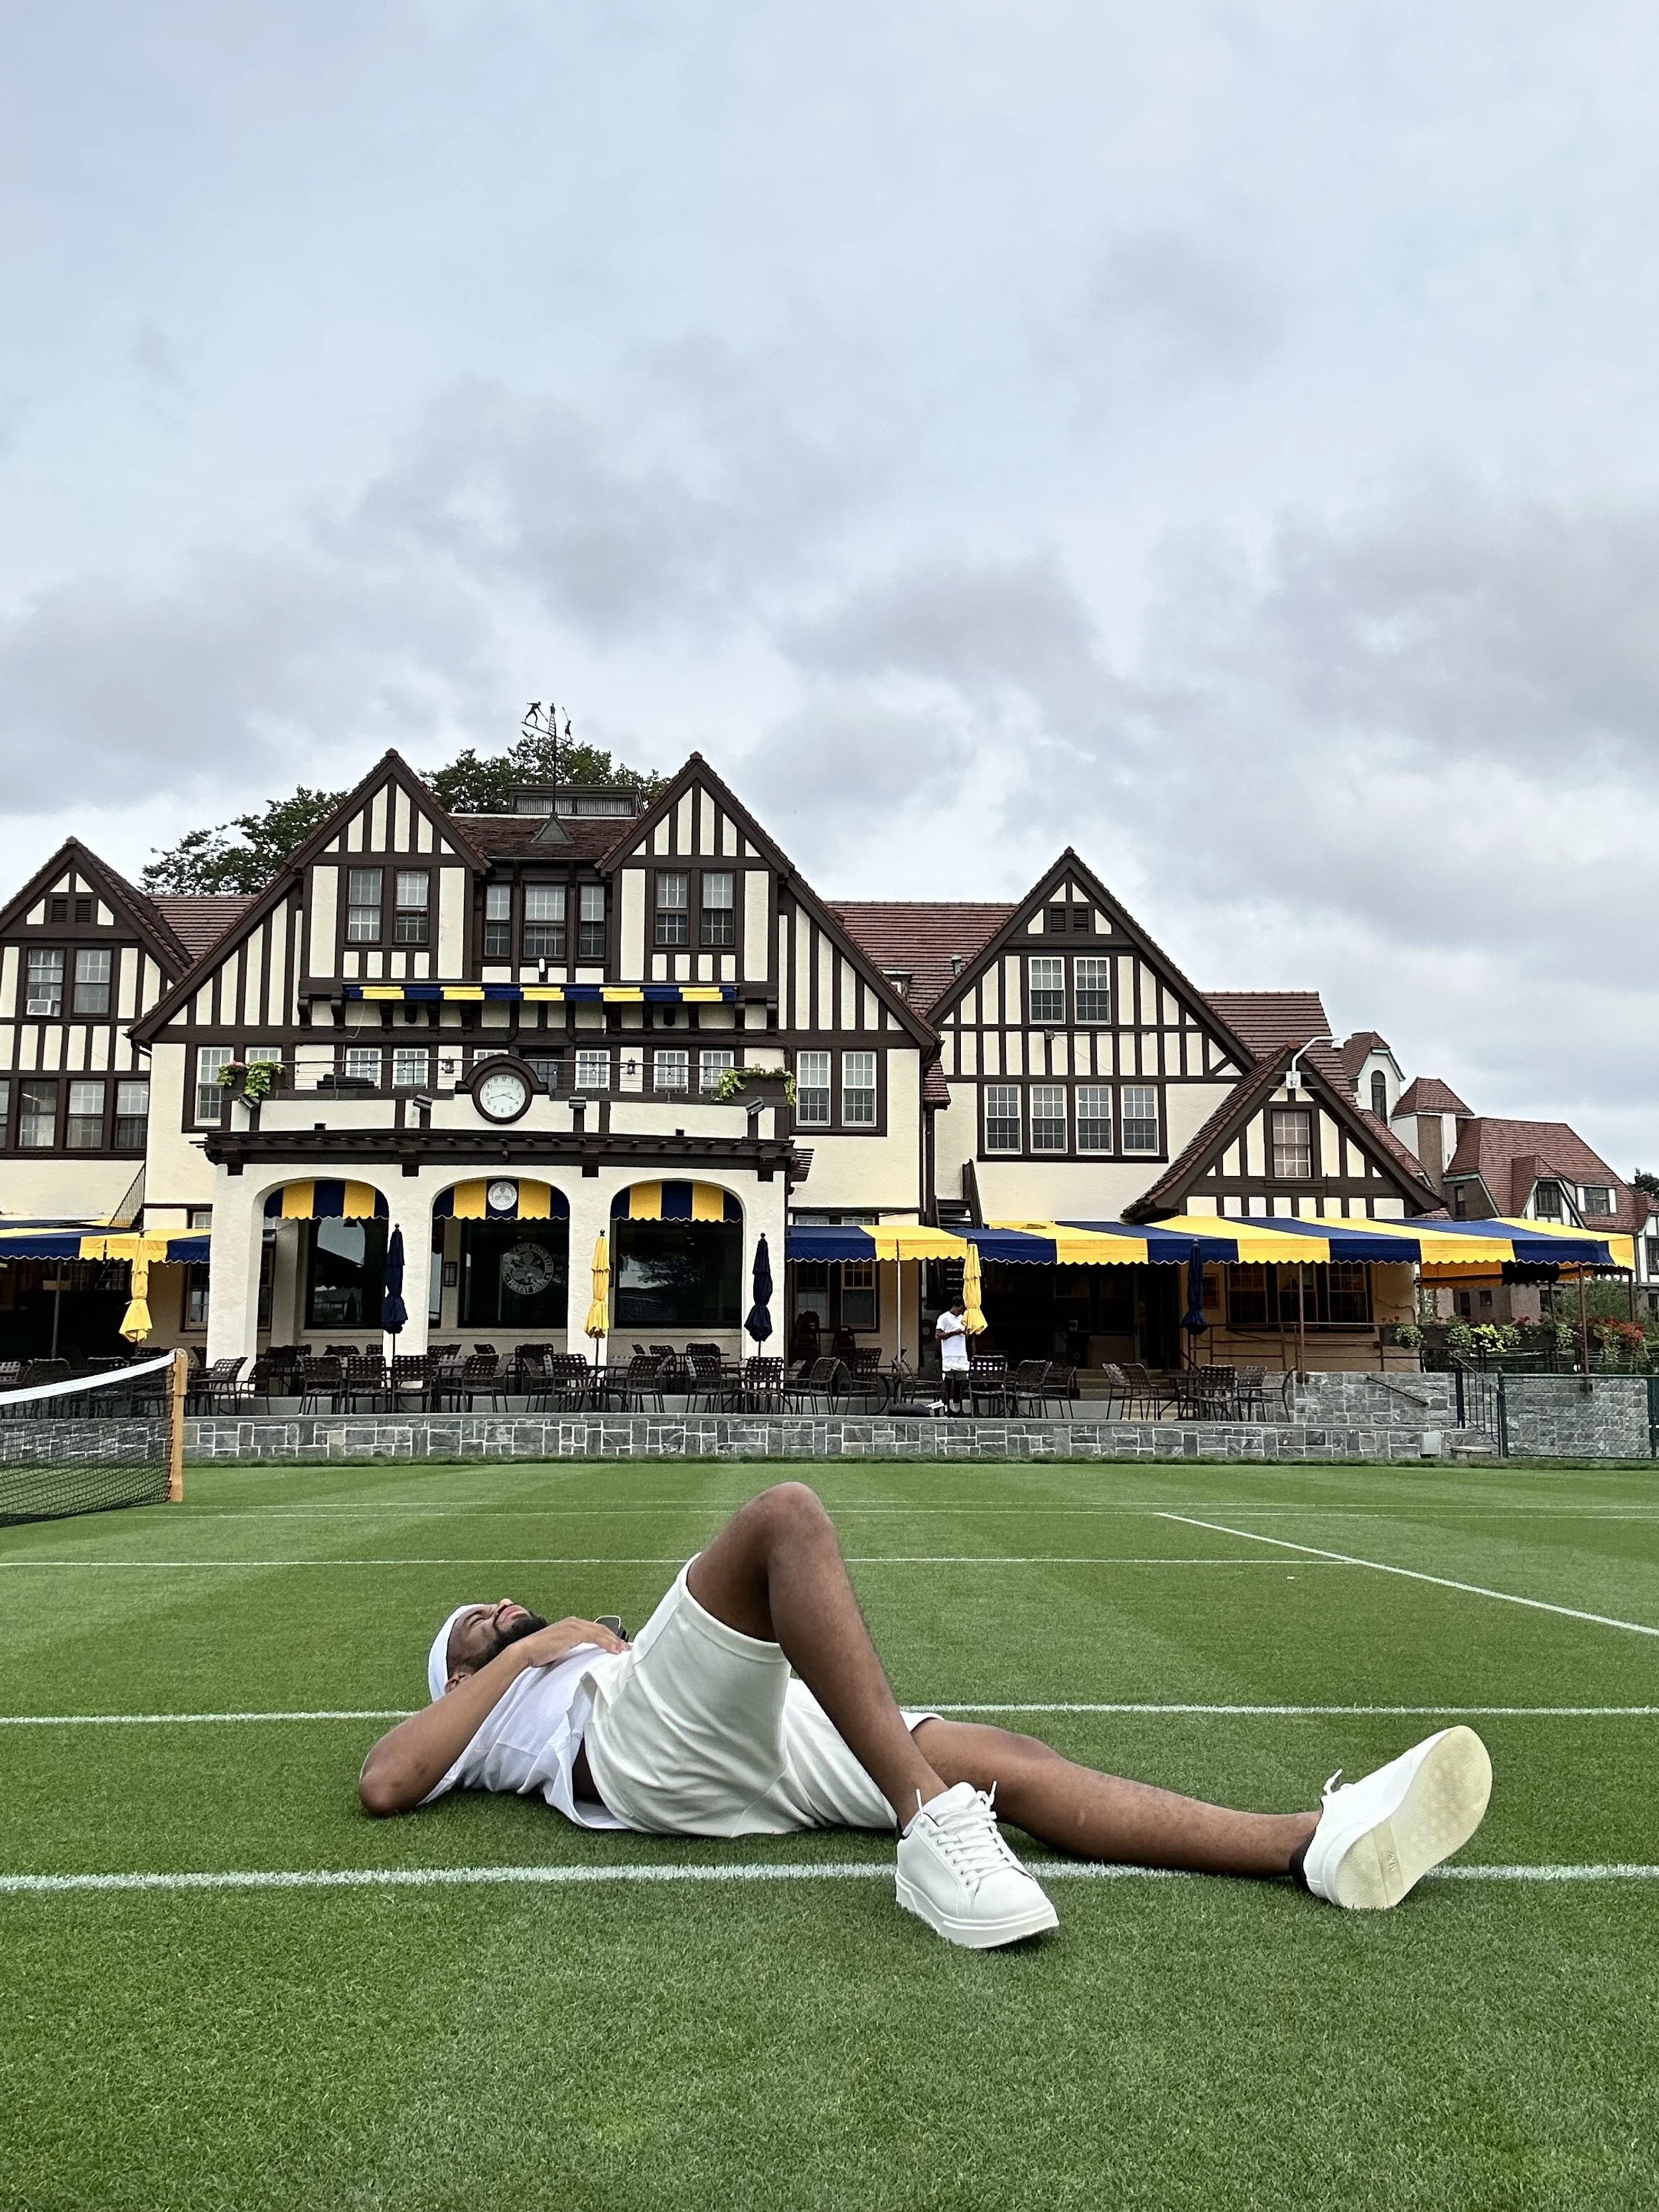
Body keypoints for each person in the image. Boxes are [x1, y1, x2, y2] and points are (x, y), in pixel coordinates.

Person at [358, 1482, 1492, 1951]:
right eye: (476, 1624)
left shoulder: (567, 1654)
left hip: (737, 1735)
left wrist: (571, 1639)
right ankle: (928, 1832)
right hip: (633, 1750)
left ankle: (1309, 1842)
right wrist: (534, 1651)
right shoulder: (503, 1695)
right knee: (785, 1519)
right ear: (457, 1672)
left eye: (501, 1609)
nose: (501, 1609)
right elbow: (384, 1781)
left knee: (1012, 1763)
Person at [935, 1295, 972, 1409]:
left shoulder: (963, 1319)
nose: (961, 1311)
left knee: (960, 1383)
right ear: (956, 1306)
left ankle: (956, 1407)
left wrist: (966, 1334)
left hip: (961, 1355)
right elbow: (938, 1335)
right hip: (949, 1355)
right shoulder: (944, 1318)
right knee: (948, 1381)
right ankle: (946, 1407)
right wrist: (953, 1333)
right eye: (961, 1309)